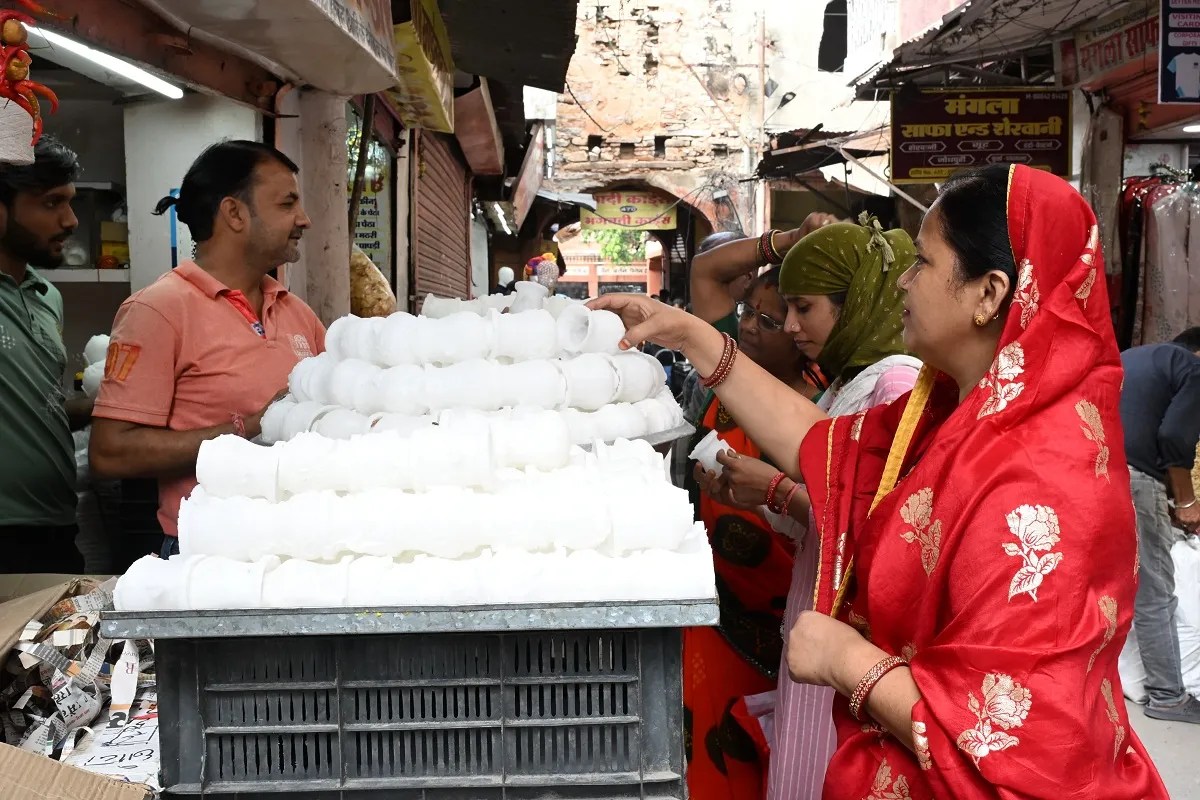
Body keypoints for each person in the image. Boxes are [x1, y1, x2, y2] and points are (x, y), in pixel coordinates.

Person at [592, 164, 1169, 797]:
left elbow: (1018, 747)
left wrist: (850, 662)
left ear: (990, 293)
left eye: (923, 262)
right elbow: (822, 446)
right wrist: (691, 335)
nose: (903, 279)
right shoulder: (955, 413)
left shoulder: (1036, 482)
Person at [702, 216, 923, 799]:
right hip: (819, 605)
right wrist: (759, 493)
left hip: (852, 628)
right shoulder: (845, 382)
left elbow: (882, 529)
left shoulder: (895, 384)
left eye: (803, 308)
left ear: (856, 304)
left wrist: (776, 492)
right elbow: (828, 509)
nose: (792, 326)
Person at [90, 141, 326, 559]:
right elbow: (111, 453)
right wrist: (251, 425)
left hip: (299, 547)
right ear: (234, 213)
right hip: (206, 557)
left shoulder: (298, 313)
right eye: (287, 203)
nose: (303, 220)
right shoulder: (159, 310)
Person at [681, 264, 822, 800]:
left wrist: (770, 495)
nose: (753, 326)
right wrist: (779, 245)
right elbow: (706, 276)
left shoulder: (819, 411)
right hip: (720, 626)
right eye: (748, 312)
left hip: (790, 646)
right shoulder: (719, 388)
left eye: (772, 316)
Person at [0, 136, 92, 573]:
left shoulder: (45, 295)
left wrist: (106, 406)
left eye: (70, 202)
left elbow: (36, 406)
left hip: (54, 527)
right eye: (51, 203)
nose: (71, 220)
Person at [1119, 327, 1200, 724]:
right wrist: (1186, 502)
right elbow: (1173, 436)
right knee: (1155, 590)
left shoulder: (1129, 359)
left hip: (1087, 470)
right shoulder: (1193, 367)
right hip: (1134, 476)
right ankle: (1168, 697)